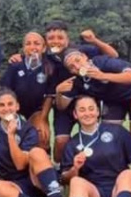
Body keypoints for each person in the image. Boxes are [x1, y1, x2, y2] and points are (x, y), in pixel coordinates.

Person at [60, 96, 131, 197]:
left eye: (91, 109)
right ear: (75, 115)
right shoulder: (73, 143)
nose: (87, 113)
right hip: (95, 195)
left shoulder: (117, 131)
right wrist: (75, 168)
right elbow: (64, 179)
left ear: (98, 112)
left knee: (127, 173)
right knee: (76, 181)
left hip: (120, 190)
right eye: (82, 110)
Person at [36, 21, 118, 163]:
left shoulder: (82, 51)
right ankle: (59, 171)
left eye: (60, 37)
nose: (56, 41)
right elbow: (28, 55)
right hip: (64, 104)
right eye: (51, 38)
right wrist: (17, 57)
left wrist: (95, 40)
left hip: (87, 104)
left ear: (67, 38)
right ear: (46, 41)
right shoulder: (46, 58)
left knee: (91, 139)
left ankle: (91, 170)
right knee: (61, 142)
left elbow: (113, 55)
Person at [55, 48, 131, 126]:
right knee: (109, 131)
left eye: (78, 60)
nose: (77, 67)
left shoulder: (102, 62)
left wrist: (102, 75)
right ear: (70, 71)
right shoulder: (76, 80)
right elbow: (62, 107)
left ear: (84, 56)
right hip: (113, 101)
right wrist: (58, 92)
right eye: (72, 67)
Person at [0, 32, 52, 148]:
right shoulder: (15, 66)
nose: (32, 47)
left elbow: (49, 95)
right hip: (15, 110)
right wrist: (12, 114)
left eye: (37, 44)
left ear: (43, 48)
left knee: (41, 134)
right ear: (23, 48)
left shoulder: (49, 67)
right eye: (28, 44)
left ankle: (43, 162)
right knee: (12, 135)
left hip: (37, 111)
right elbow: (5, 90)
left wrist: (43, 118)